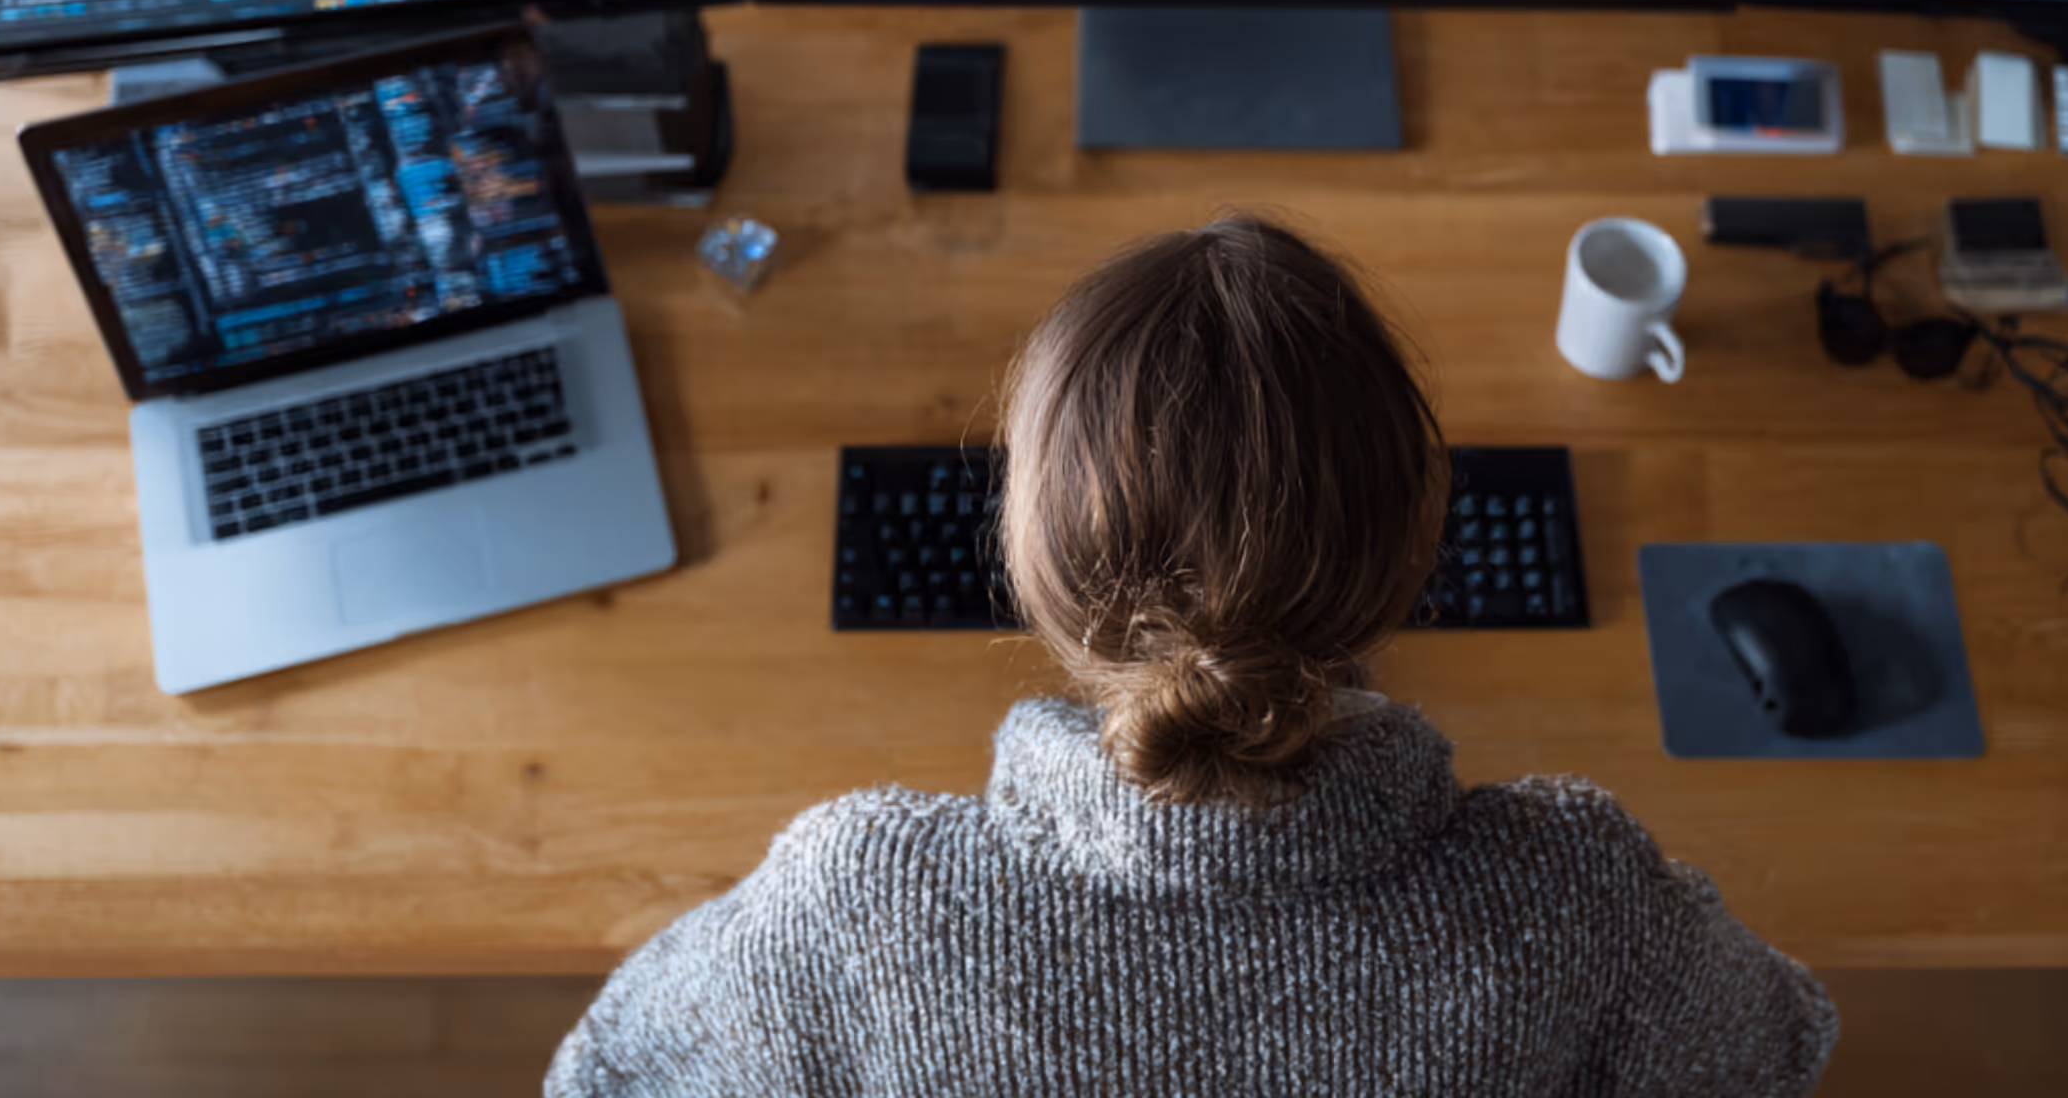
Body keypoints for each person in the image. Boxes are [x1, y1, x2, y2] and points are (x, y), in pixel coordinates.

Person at [547, 215, 1837, 1098]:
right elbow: (1777, 1046)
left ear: (1034, 562)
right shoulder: (1573, 899)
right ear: (1411, 561)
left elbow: (605, 1078)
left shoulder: (858, 903)